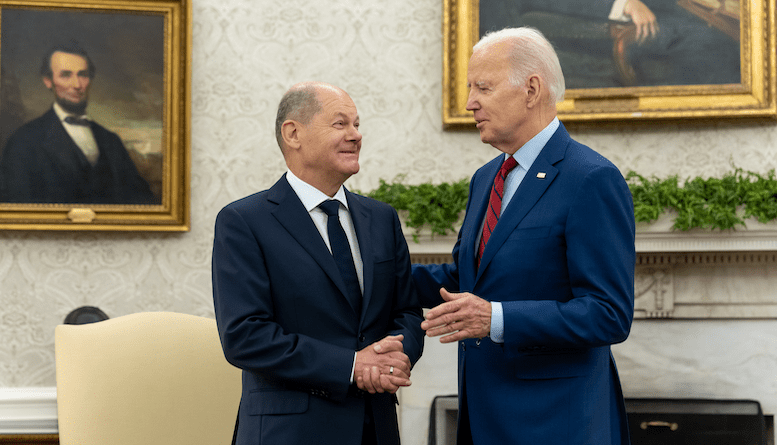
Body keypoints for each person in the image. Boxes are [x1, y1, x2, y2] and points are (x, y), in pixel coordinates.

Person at [410, 28, 636, 444]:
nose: (469, 103)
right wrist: (369, 270)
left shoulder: (591, 179)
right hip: (483, 417)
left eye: (483, 87)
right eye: (469, 89)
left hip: (557, 423)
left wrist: (495, 318)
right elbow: (468, 278)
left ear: (531, 89)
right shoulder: (486, 178)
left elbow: (608, 313)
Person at [212, 81, 425, 445]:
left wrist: (395, 355)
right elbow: (245, 336)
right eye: (340, 124)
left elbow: (407, 311)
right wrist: (352, 367)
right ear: (293, 133)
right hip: (290, 432)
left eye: (357, 125)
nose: (356, 135)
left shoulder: (382, 218)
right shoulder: (244, 221)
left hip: (376, 428)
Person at [0, 41, 157, 204]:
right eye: (66, 75)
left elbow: (142, 202)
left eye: (83, 74)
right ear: (48, 81)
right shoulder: (24, 141)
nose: (77, 85)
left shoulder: (111, 142)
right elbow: (15, 208)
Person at [479, 0, 740, 87]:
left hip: (669, 12)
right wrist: (622, 3)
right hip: (592, 30)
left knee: (727, 35)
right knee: (713, 47)